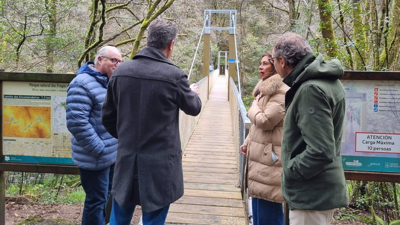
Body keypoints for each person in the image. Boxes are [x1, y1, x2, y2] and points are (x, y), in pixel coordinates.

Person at [101, 18, 202, 225]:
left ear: (148, 40)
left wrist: (127, 137)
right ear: (171, 44)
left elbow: (107, 117)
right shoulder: (174, 76)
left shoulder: (120, 72)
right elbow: (194, 108)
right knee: (154, 221)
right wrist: (191, 93)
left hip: (127, 161)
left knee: (118, 219)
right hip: (160, 166)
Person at [271, 32, 348, 225]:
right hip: (319, 191)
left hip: (311, 195)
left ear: (282, 61)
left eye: (273, 60)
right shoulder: (327, 80)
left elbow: (321, 150)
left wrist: (291, 170)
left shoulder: (309, 90)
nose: (273, 65)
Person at [66, 46, 122, 225]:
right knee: (96, 201)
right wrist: (100, 148)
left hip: (110, 154)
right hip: (95, 155)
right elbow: (77, 122)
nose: (117, 64)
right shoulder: (81, 83)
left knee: (103, 198)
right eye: (114, 60)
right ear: (99, 60)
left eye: (120, 61)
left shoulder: (107, 83)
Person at [240, 52, 288, 225]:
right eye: (260, 64)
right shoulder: (265, 90)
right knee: (260, 208)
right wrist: (247, 142)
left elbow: (266, 121)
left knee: (270, 210)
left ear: (275, 66)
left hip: (270, 161)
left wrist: (252, 108)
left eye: (265, 64)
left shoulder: (281, 90)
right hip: (262, 157)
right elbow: (257, 126)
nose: (260, 67)